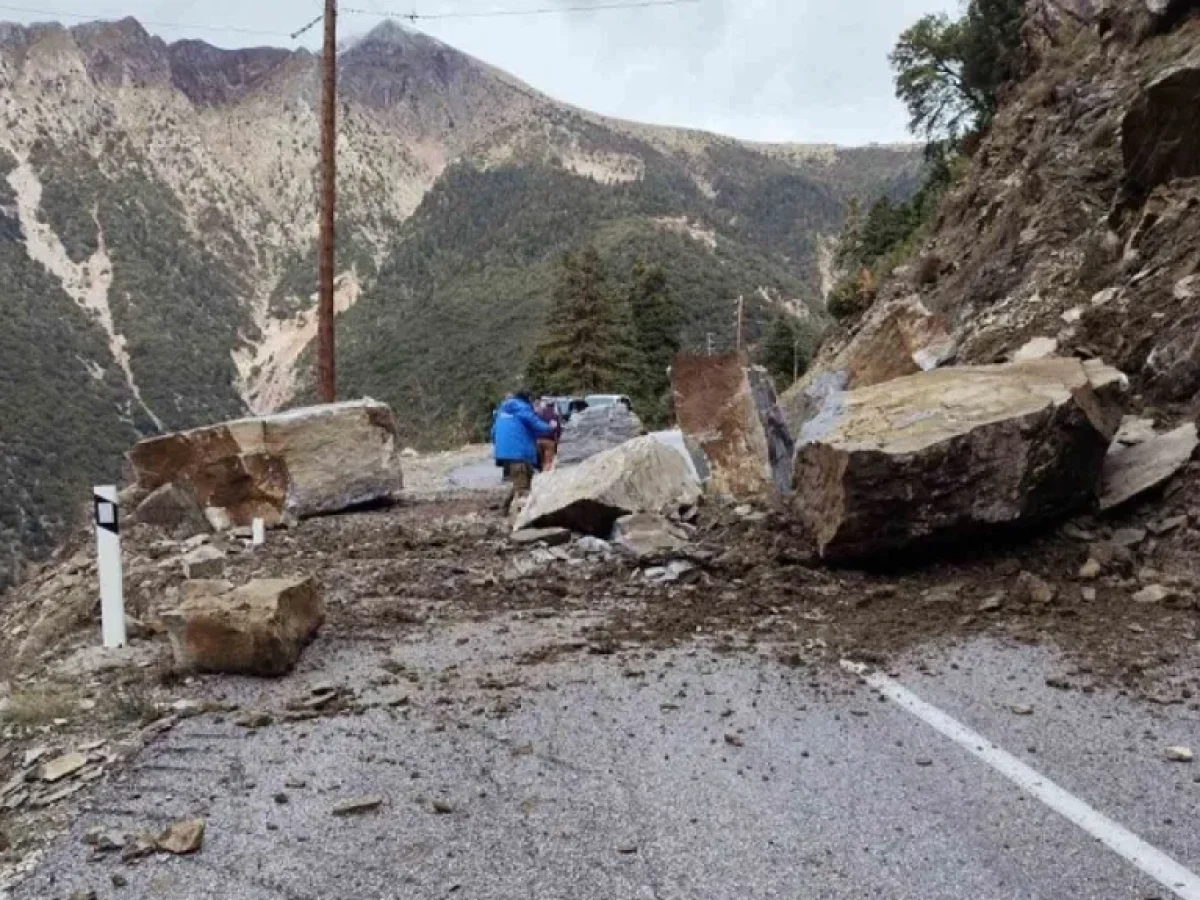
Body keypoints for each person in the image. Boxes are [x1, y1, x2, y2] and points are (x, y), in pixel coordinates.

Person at [491, 391, 555, 514]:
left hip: (504, 453)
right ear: (527, 399)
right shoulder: (522, 409)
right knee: (523, 487)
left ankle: (504, 508)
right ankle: (522, 517)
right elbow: (537, 426)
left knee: (520, 480)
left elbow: (493, 433)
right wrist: (550, 427)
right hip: (519, 452)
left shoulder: (502, 411)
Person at [535, 398, 562, 472]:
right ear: (553, 406)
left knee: (541, 461)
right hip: (549, 440)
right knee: (548, 462)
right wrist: (558, 438)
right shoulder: (554, 415)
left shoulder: (539, 414)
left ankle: (540, 473)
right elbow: (557, 429)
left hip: (538, 440)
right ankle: (545, 477)